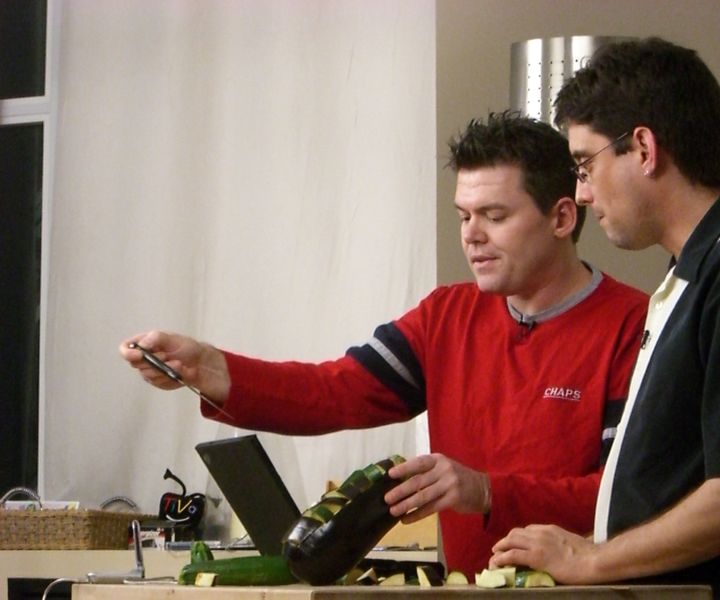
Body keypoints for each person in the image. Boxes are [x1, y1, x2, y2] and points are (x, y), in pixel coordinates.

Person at [120, 111, 647, 578]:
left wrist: (485, 490)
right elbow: (336, 391)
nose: (472, 236)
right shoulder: (446, 315)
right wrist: (212, 368)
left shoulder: (632, 324)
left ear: (561, 217)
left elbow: (623, 498)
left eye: (495, 215)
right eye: (464, 216)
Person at [489, 38, 720, 598]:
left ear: (643, 148)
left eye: (584, 163)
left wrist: (592, 560)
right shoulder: (697, 271)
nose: (580, 192)